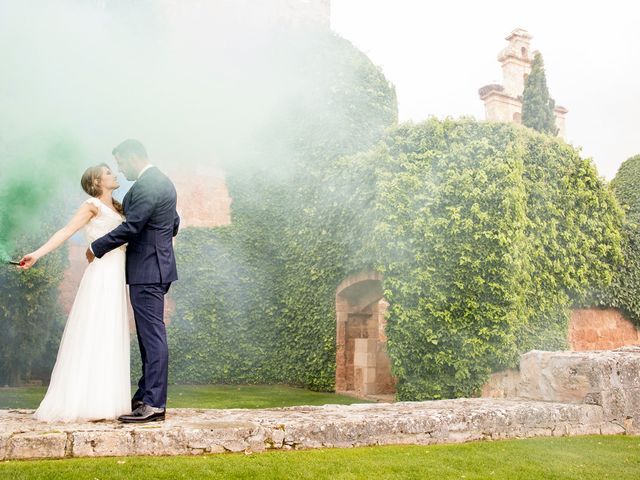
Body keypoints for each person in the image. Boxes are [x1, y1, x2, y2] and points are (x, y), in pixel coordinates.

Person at [19, 163, 131, 422]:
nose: (114, 174)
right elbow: (66, 232)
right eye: (108, 172)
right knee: (96, 329)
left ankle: (107, 401)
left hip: (117, 275)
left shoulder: (119, 207)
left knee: (111, 332)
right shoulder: (92, 206)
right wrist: (36, 254)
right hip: (101, 274)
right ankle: (85, 402)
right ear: (96, 182)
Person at [88, 139, 179, 423]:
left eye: (121, 162)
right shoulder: (156, 181)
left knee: (152, 336)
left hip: (149, 271)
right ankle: (143, 397)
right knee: (147, 336)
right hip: (152, 267)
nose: (120, 168)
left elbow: (133, 225)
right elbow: (173, 223)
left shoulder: (150, 183)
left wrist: (96, 247)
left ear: (133, 157)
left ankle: (153, 404)